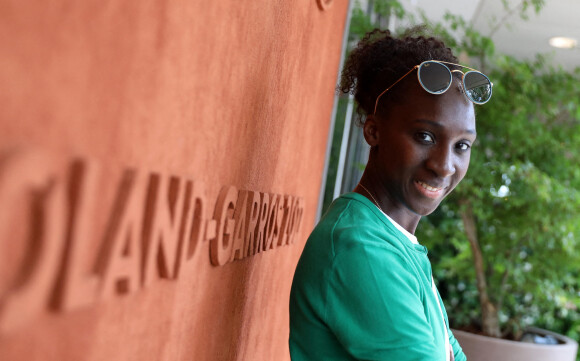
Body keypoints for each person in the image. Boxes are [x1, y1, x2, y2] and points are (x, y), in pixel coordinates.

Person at [289, 28, 492, 361]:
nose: (444, 166)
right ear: (374, 131)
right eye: (425, 136)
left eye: (462, 146)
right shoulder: (361, 249)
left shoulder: (396, 244)